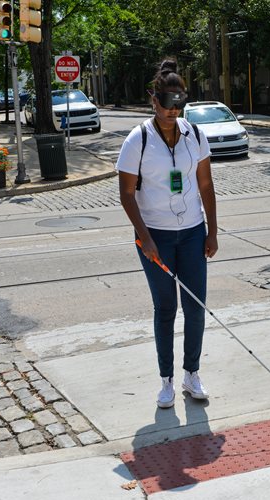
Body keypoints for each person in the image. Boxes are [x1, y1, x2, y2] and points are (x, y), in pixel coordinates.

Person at [116, 59, 218, 408]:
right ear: (153, 100)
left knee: (196, 307)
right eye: (167, 102)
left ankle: (192, 374)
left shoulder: (196, 134)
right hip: (155, 236)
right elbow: (126, 193)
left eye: (179, 103)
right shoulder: (138, 139)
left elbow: (205, 184)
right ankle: (166, 381)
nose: (173, 110)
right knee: (166, 309)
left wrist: (212, 230)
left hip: (191, 232)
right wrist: (144, 238)